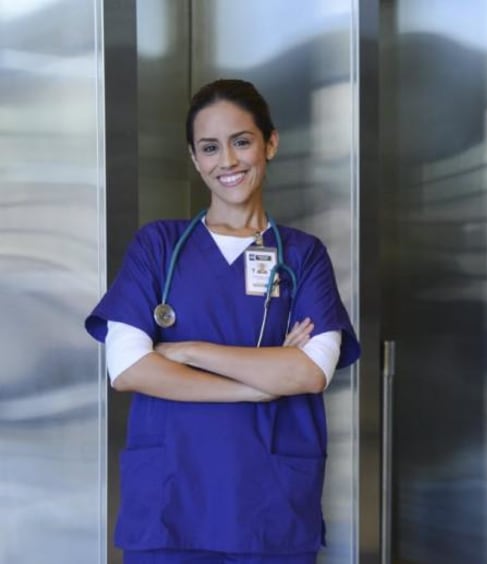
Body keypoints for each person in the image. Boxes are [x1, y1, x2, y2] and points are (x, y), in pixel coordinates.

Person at [85, 78, 360, 564]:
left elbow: (308, 373)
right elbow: (128, 369)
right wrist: (257, 384)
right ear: (194, 159)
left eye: (242, 142)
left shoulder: (302, 256)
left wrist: (189, 351)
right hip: (171, 502)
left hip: (269, 507)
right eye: (210, 148)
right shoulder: (158, 247)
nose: (227, 162)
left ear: (270, 143)